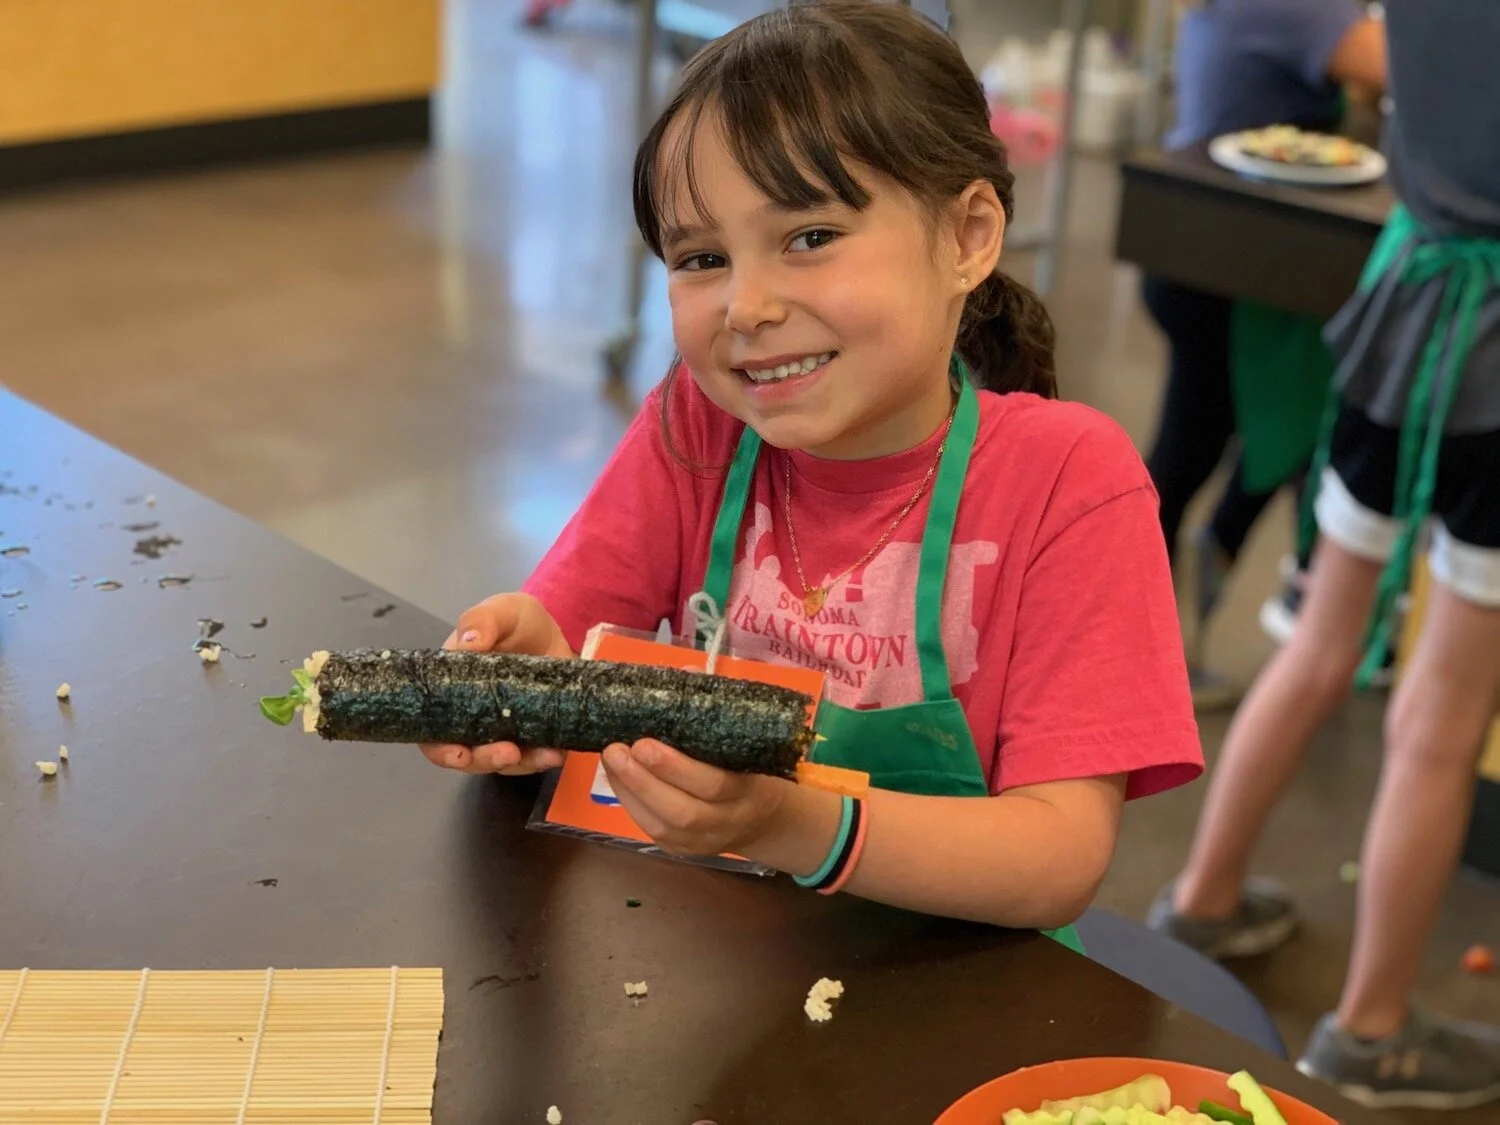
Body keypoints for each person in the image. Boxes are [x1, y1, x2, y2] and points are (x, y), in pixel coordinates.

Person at [419, 1, 1201, 943]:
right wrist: (522, 682)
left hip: (958, 997)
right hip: (702, 960)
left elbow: (1056, 858)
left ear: (968, 237)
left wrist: (792, 824)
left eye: (810, 237)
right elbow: (571, 644)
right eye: (702, 257)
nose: (747, 306)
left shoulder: (1069, 480)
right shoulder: (694, 427)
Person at [1151, 0, 1500, 1108]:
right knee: (1442, 721)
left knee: (1317, 638)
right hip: (1492, 343)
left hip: (1407, 303)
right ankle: (1371, 1027)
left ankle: (1202, 900)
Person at [1143, 0, 1386, 703]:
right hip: (1222, 261)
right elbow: (1398, 62)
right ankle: (1143, 652)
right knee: (1192, 449)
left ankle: (1208, 588)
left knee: (1276, 429)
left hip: (1222, 245)